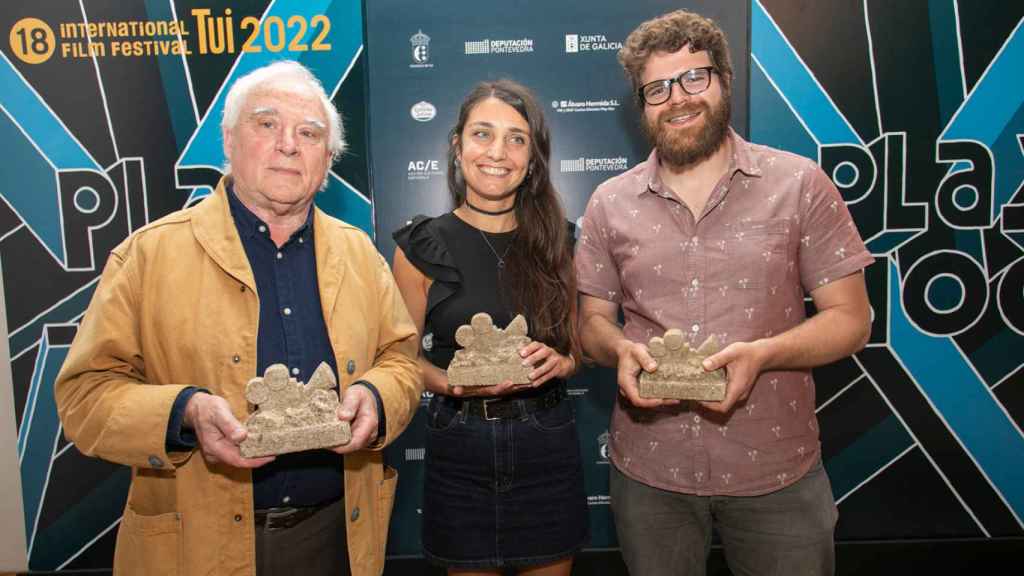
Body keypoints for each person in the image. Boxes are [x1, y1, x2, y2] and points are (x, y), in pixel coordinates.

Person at [54, 60, 422, 576]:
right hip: (195, 545)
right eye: (267, 124)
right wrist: (186, 412)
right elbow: (83, 396)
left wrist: (378, 397)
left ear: (328, 158)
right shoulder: (147, 255)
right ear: (228, 141)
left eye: (309, 133)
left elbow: (401, 361)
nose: (289, 144)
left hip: (334, 538)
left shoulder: (359, 253)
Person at [575, 10, 874, 576]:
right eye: (657, 88)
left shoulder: (799, 183)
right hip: (649, 476)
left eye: (695, 77)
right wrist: (618, 351)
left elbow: (851, 319)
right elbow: (591, 323)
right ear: (641, 104)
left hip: (775, 474)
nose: (678, 98)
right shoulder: (609, 203)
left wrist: (762, 355)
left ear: (724, 81)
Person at [391, 79, 588, 575]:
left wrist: (565, 360)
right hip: (460, 443)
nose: (498, 152)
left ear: (533, 157)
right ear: (458, 146)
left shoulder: (561, 241)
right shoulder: (420, 247)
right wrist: (449, 382)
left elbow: (581, 344)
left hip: (547, 441)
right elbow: (399, 361)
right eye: (482, 134)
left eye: (516, 138)